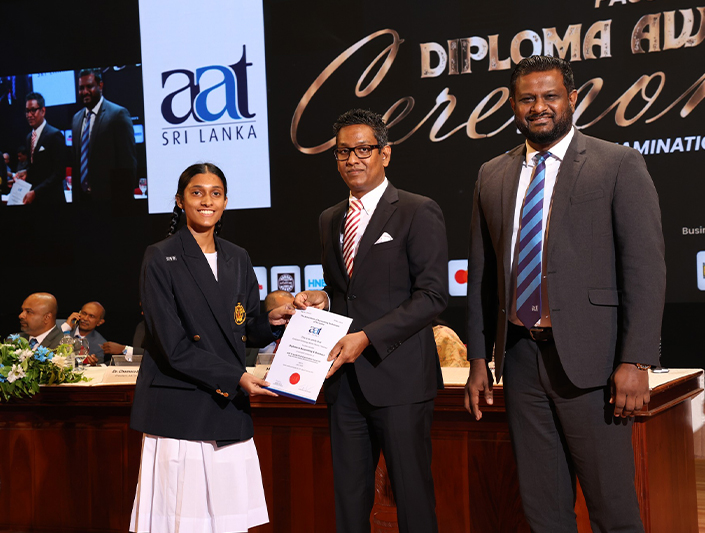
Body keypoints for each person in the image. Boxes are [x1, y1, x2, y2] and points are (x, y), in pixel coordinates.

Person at [464, 56, 666, 533]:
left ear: (571, 99)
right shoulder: (491, 173)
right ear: (513, 105)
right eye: (527, 98)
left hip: (593, 364)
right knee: (544, 513)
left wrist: (637, 360)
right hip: (519, 360)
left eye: (550, 96)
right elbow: (482, 275)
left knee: (613, 512)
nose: (539, 107)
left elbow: (645, 268)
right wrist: (477, 358)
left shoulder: (617, 163)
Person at [294, 109, 448, 533]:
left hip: (400, 381)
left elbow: (433, 296)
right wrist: (323, 299)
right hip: (344, 384)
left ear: (385, 153)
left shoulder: (417, 210)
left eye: (363, 149)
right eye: (344, 152)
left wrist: (367, 337)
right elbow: (346, 292)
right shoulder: (330, 218)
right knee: (348, 503)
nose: (353, 159)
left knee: (412, 501)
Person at [129, 163, 294, 533]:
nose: (207, 201)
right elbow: (172, 346)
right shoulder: (160, 256)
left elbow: (244, 328)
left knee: (228, 520)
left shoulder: (238, 257)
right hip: (180, 408)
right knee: (180, 521)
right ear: (180, 200)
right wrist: (236, 378)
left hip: (227, 407)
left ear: (225, 202)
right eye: (197, 192)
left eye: (215, 193)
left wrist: (272, 321)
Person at [70, 68, 137, 202]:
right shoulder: (76, 119)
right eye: (81, 88)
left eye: (89, 86)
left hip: (111, 201)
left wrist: (123, 203)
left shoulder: (118, 114)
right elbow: (76, 165)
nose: (85, 92)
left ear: (100, 86)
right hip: (82, 201)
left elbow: (128, 164)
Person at [20, 92, 66, 204]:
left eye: (33, 110)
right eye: (27, 111)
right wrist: (26, 172)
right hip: (35, 200)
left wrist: (36, 192)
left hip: (53, 201)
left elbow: (59, 173)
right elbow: (36, 167)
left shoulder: (55, 135)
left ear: (43, 111)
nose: (29, 115)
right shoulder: (29, 137)